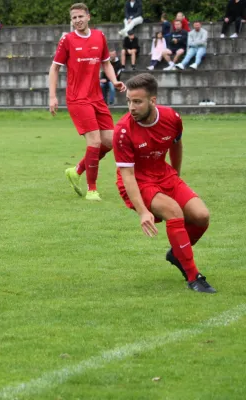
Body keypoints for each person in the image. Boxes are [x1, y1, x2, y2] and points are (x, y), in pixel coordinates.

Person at [113, 73, 215, 294]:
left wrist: (176, 176)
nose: (131, 107)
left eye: (137, 101)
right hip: (138, 180)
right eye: (129, 101)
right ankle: (193, 276)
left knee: (201, 216)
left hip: (164, 174)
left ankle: (177, 253)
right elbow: (128, 176)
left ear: (153, 100)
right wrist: (142, 211)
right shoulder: (122, 131)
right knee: (174, 211)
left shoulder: (172, 118)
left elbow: (176, 145)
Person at [50, 3, 126, 201]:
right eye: (73, 18)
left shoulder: (99, 36)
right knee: (94, 141)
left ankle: (76, 171)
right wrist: (52, 96)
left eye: (80, 16)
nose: (77, 21)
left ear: (88, 17)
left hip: (96, 98)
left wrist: (114, 80)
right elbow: (54, 68)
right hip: (77, 98)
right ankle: (92, 190)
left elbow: (106, 62)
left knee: (109, 142)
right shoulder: (67, 40)